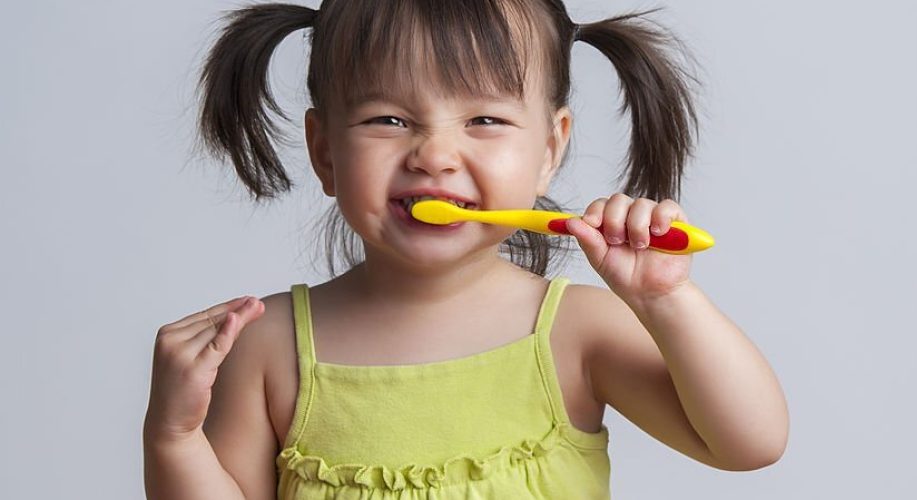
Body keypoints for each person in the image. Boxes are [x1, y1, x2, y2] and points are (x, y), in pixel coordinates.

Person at [143, 0, 789, 498]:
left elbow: (750, 441)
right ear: (324, 151)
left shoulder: (574, 333)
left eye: (484, 120)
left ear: (549, 149)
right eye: (387, 120)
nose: (435, 156)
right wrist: (173, 437)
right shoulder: (267, 350)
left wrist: (668, 300)